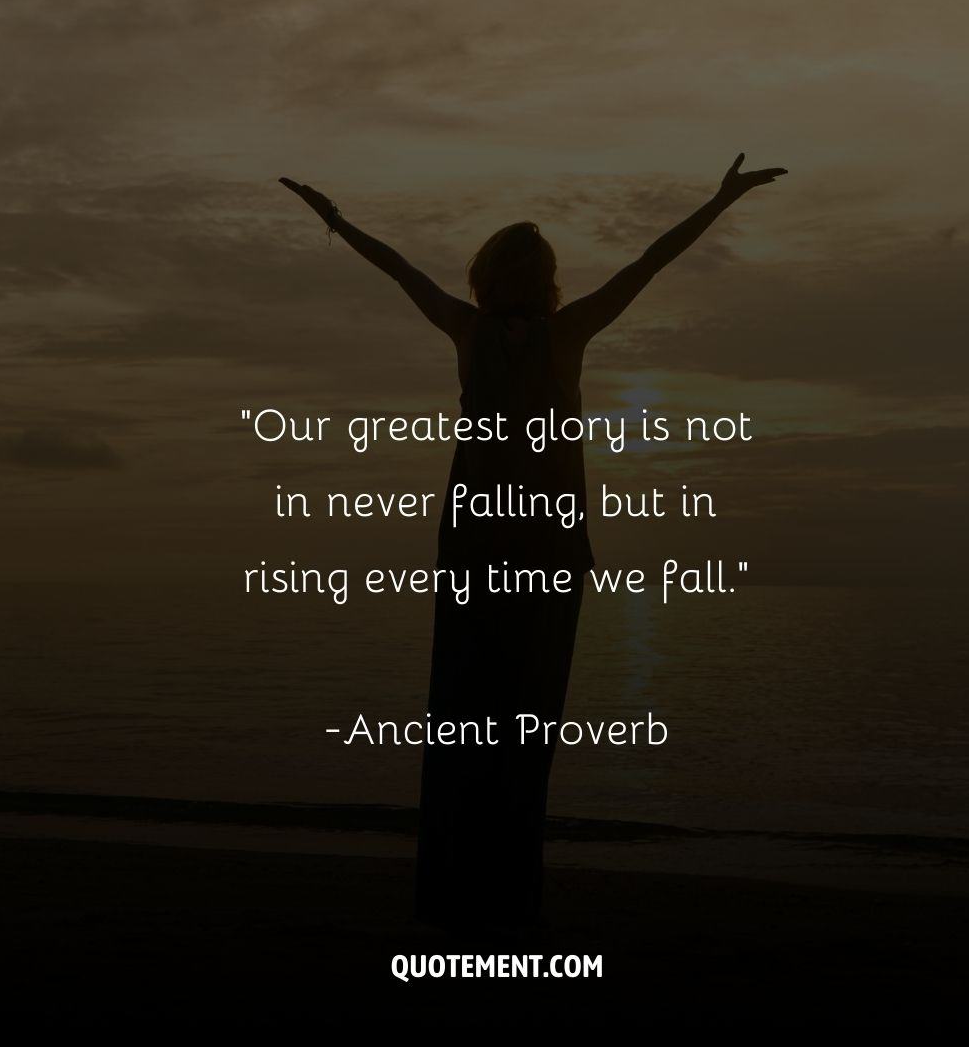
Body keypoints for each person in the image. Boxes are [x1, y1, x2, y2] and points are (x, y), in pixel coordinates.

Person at [280, 153, 787, 930]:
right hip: (543, 553)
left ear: (486, 276)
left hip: (481, 549)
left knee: (461, 721)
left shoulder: (468, 327)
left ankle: (456, 895)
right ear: (544, 278)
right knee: (524, 727)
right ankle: (505, 898)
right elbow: (650, 261)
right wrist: (720, 202)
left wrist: (337, 220)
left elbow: (398, 267)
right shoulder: (566, 330)